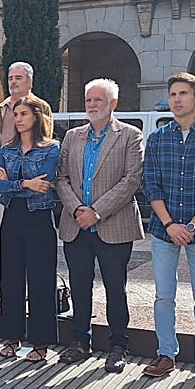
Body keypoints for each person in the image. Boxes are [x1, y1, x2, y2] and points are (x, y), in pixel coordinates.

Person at [142, 72, 195, 383]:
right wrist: (169, 224)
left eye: (183, 94)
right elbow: (150, 185)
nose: (176, 99)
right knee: (164, 295)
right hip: (164, 230)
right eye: (173, 94)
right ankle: (166, 354)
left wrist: (191, 225)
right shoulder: (157, 139)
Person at [56, 79, 145, 373]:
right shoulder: (72, 136)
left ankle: (118, 345)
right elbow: (61, 178)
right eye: (89, 99)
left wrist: (96, 211)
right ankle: (80, 341)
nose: (92, 105)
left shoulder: (130, 136)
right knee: (80, 287)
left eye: (98, 100)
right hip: (76, 225)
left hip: (113, 226)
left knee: (114, 288)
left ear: (113, 104)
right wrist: (78, 209)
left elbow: (131, 180)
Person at [0, 94, 60, 363]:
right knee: (11, 279)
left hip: (39, 219)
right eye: (15, 115)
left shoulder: (51, 148)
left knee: (41, 280)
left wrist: (14, 182)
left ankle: (41, 343)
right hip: (12, 218)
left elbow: (44, 184)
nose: (18, 119)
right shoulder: (6, 150)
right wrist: (24, 184)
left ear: (36, 117)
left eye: (23, 114)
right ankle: (11, 337)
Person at [0, 62, 54, 284]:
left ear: (29, 81)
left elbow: (44, 147)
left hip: (30, 175)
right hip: (4, 169)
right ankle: (2, 274)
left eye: (18, 77)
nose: (13, 82)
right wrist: (21, 183)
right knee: (3, 227)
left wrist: (17, 183)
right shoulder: (0, 108)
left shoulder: (41, 106)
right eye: (10, 78)